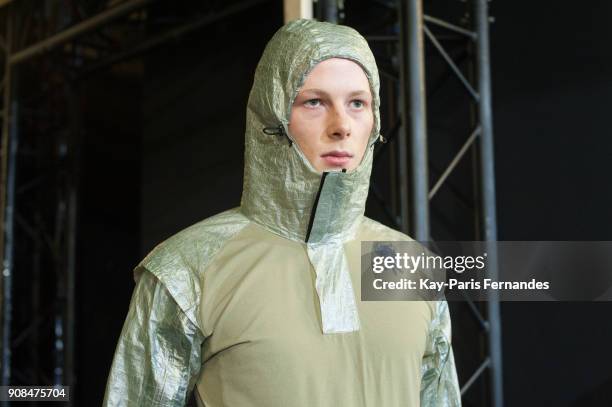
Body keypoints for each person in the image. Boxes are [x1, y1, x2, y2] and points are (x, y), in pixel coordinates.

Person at [103, 18, 461, 407]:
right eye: (314, 102)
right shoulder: (187, 269)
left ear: (374, 120)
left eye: (357, 103)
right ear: (271, 118)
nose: (341, 126)